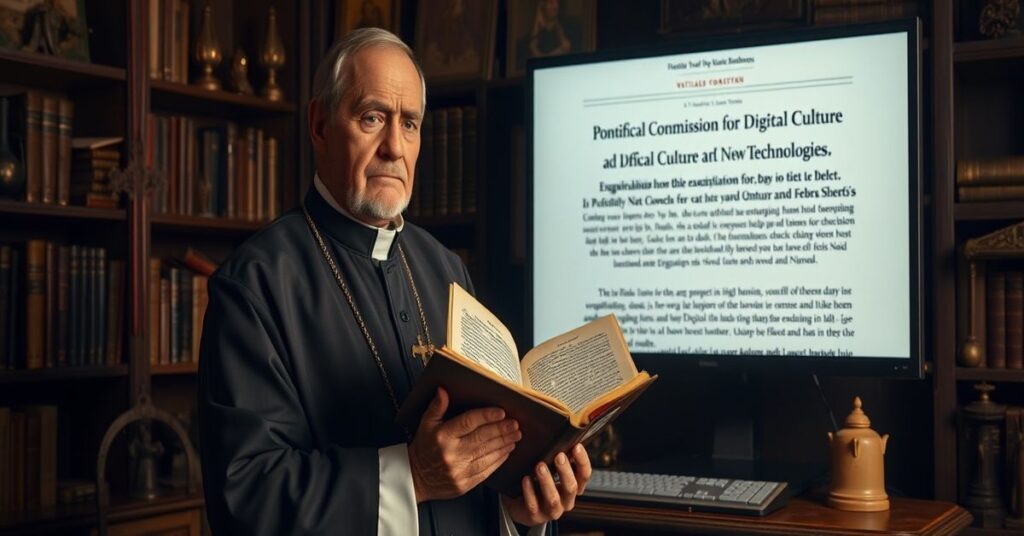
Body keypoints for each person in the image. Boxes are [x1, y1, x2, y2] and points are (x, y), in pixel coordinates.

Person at [198, 27, 591, 535]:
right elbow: (245, 495)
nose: (393, 148)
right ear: (320, 125)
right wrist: (413, 476)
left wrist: (521, 511)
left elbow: (475, 481)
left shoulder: (447, 269)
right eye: (372, 117)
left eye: (409, 124)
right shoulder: (254, 284)